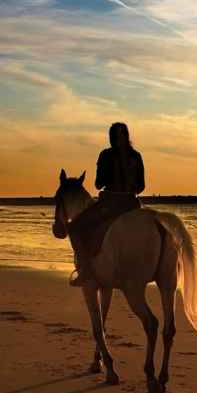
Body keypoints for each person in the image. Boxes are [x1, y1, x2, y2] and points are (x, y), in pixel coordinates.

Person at [68, 122, 145, 286]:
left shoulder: (105, 155)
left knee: (74, 227)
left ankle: (86, 269)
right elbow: (141, 187)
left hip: (110, 204)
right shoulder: (136, 156)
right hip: (132, 204)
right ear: (127, 136)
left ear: (111, 138)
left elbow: (98, 184)